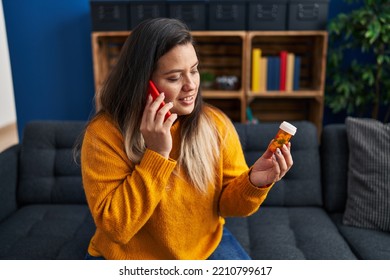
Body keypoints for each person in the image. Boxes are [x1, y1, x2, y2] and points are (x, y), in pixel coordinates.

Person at [80, 17, 293, 260]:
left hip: (203, 248)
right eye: (174, 77)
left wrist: (255, 182)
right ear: (143, 83)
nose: (191, 85)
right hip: (127, 257)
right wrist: (157, 155)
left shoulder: (215, 124)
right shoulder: (104, 134)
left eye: (194, 70)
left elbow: (227, 206)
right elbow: (116, 227)